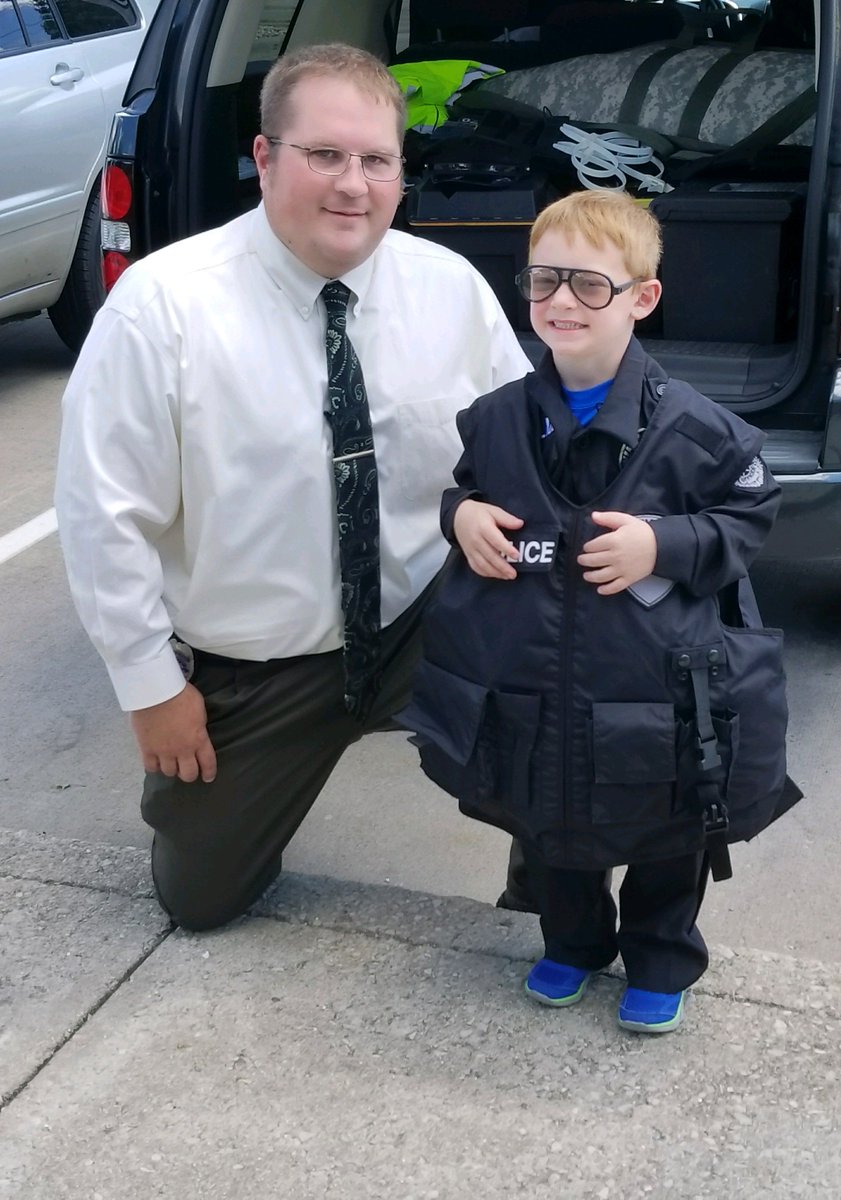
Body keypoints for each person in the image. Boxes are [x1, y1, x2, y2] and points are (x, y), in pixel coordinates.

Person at [55, 43, 532, 932]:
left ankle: (554, 890)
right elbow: (100, 514)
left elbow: (519, 457)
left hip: (417, 622)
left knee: (575, 660)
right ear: (267, 158)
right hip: (260, 662)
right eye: (324, 154)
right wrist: (149, 686)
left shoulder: (450, 291)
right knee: (201, 899)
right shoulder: (164, 307)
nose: (353, 184)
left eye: (376, 160)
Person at [400, 189, 800, 1033]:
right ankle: (573, 943)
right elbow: (467, 492)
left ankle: (661, 957)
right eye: (543, 281)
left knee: (668, 830)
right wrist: (460, 516)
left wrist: (667, 547)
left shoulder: (699, 431)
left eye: (590, 285)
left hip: (658, 689)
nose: (560, 303)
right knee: (551, 822)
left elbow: (749, 515)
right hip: (535, 680)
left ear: (642, 299)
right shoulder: (499, 419)